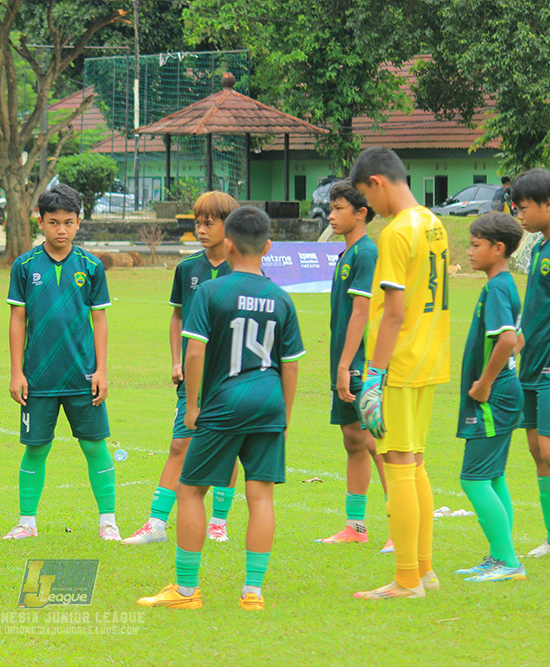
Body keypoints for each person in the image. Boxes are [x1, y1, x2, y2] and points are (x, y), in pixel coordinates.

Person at [138, 206, 304, 611]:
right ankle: (253, 593)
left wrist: (193, 406)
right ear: (268, 247)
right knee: (260, 496)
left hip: (224, 402)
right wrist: (285, 414)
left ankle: (186, 591)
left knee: (191, 490)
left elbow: (194, 353)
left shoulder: (212, 292)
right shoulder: (281, 298)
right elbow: (291, 365)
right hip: (269, 402)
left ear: (228, 245)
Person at [350, 147, 450, 600]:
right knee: (415, 462)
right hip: (430, 356)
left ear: (377, 182)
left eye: (366, 196)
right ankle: (424, 570)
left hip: (401, 362)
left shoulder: (396, 232)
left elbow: (393, 313)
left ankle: (408, 579)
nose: (370, 207)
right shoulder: (433, 222)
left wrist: (374, 375)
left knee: (398, 464)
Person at [123, 191, 240, 546]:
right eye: (198, 223)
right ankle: (156, 524)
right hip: (193, 376)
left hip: (231, 378)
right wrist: (176, 360)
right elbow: (177, 317)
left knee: (228, 448)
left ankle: (218, 523)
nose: (201, 230)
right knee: (179, 445)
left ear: (229, 226)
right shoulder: (187, 268)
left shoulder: (244, 269)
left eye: (209, 223)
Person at [2, 184, 117, 541]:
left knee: (94, 445)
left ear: (79, 222)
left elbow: (99, 320)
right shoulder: (24, 266)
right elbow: (17, 320)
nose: (61, 230)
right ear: (40, 222)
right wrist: (17, 372)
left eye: (68, 222)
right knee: (36, 448)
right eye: (54, 222)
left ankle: (108, 522)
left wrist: (101, 370)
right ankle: (26, 523)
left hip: (83, 375)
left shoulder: (91, 265)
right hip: (38, 377)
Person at [316, 180, 390, 549]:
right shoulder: (347, 252)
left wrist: (346, 365)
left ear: (361, 213)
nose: (331, 215)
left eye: (338, 208)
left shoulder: (366, 253)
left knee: (378, 442)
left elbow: (362, 312)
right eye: (331, 207)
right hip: (343, 361)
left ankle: (400, 526)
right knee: (353, 440)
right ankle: (356, 526)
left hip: (359, 362)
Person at [454, 212, 527, 581]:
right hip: (504, 393)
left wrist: (485, 382)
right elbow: (519, 337)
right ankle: (501, 556)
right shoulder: (503, 284)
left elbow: (508, 340)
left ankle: (508, 562)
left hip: (493, 398)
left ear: (498, 248)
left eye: (475, 245)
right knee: (495, 477)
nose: (469, 251)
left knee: (473, 479)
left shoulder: (497, 288)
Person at [511, 167, 550, 558]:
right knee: (536, 449)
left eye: (524, 207)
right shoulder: (540, 246)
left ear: (549, 204)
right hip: (531, 361)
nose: (519, 215)